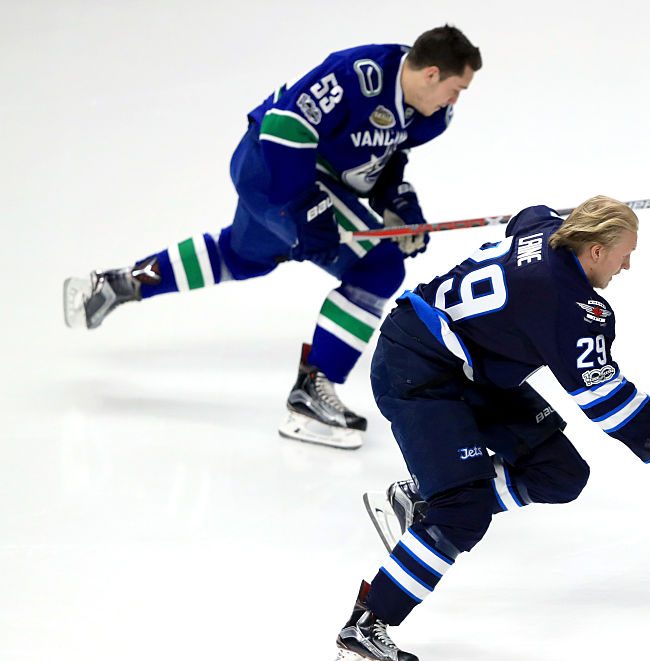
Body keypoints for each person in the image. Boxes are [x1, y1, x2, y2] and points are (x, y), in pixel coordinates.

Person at [325, 196, 650, 661]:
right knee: (462, 514)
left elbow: (530, 212)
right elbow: (601, 394)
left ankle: (419, 501)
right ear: (595, 251)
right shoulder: (568, 305)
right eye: (624, 253)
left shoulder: (550, 228)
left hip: (474, 367)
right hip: (417, 366)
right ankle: (365, 630)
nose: (628, 265)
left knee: (560, 473)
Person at [62, 26, 482, 450]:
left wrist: (398, 204)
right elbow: (286, 130)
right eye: (456, 88)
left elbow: (386, 158)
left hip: (302, 182)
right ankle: (311, 394)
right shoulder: (358, 73)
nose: (455, 100)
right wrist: (308, 209)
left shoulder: (428, 115)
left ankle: (121, 283)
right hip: (272, 169)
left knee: (240, 255)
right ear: (431, 74)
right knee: (378, 267)